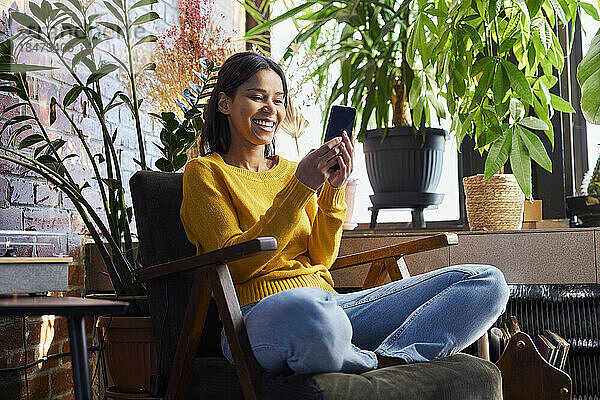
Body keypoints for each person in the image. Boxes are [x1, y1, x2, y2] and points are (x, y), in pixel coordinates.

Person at [180, 51, 510, 375]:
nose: (271, 109)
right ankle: (359, 355)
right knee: (315, 318)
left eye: (278, 100)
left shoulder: (295, 171)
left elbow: (322, 258)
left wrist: (332, 188)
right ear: (225, 103)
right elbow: (234, 265)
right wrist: (301, 188)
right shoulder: (205, 173)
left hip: (333, 306)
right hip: (260, 317)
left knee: (486, 282)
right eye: (257, 97)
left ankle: (390, 360)